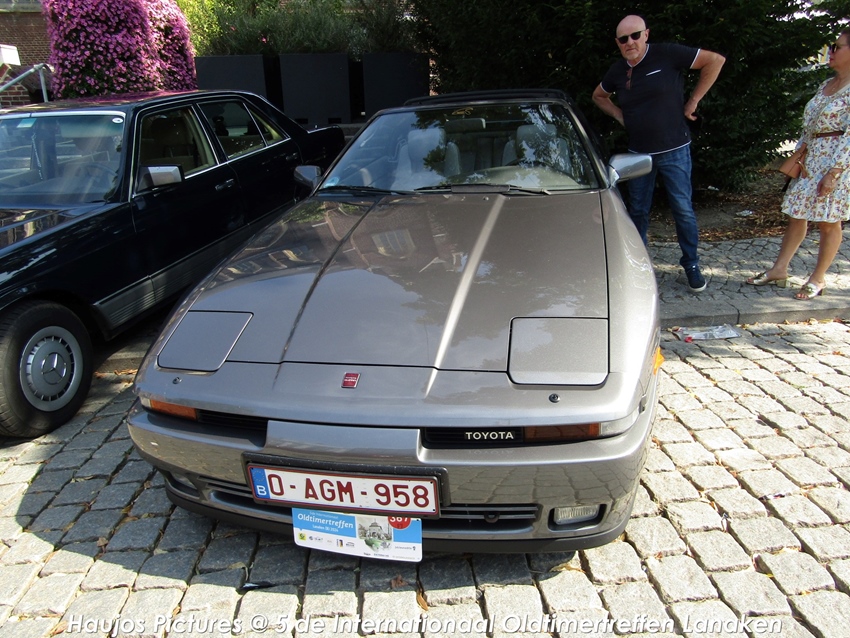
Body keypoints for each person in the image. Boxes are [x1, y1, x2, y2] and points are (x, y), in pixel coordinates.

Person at [592, 15, 726, 292]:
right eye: (623, 39)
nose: (630, 42)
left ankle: (691, 264)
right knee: (637, 211)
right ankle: (636, 266)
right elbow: (598, 96)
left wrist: (693, 101)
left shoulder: (667, 54)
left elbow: (715, 60)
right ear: (617, 43)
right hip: (638, 153)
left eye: (635, 35)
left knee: (683, 209)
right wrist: (619, 115)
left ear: (646, 34)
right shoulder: (618, 71)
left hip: (674, 149)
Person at [746, 30, 850, 300]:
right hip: (811, 158)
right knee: (797, 213)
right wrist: (798, 155)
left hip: (837, 162)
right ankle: (779, 269)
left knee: (828, 220)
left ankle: (818, 278)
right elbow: (810, 124)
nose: (831, 51)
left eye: (837, 47)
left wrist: (834, 172)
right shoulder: (826, 84)